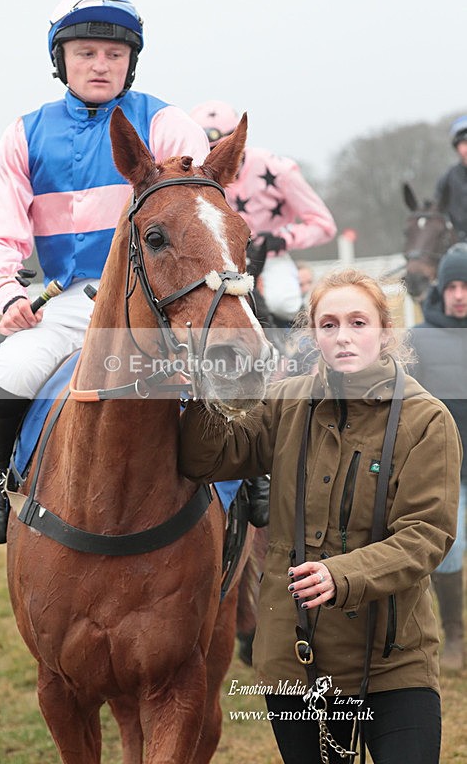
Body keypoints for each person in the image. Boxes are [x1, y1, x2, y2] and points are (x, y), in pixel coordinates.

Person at [179, 269, 461, 764]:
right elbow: (206, 459)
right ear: (313, 335)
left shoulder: (427, 419)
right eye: (328, 325)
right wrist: (207, 388)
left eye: (358, 321)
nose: (344, 336)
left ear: (386, 332)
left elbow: (425, 535)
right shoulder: (287, 401)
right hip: (296, 659)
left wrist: (342, 574)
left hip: (394, 661)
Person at [0, 0, 211, 545]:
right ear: (61, 60)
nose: (100, 64)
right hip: (67, 300)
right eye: (85, 52)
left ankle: (252, 477)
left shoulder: (166, 124)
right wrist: (8, 292)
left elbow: (204, 213)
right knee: (6, 379)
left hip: (158, 301)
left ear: (131, 61)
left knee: (222, 374)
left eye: (114, 54)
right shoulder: (23, 134)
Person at [189, 100, 337, 326]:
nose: (215, 160)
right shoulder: (191, 177)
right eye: (207, 151)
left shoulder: (279, 169)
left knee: (282, 304)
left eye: (222, 150)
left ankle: (297, 351)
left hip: (270, 259)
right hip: (218, 261)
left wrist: (282, 239)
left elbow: (324, 225)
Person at [410, 242, 467, 672]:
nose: (460, 294)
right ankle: (455, 638)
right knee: (449, 551)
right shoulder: (420, 339)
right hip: (448, 469)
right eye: (454, 286)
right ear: (441, 289)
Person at [434, 115, 467, 241]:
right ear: (457, 147)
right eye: (464, 143)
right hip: (459, 245)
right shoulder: (448, 179)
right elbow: (439, 210)